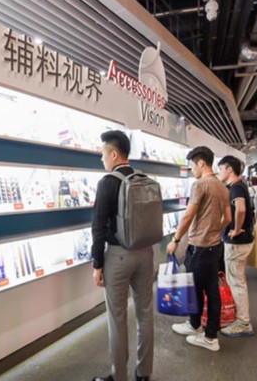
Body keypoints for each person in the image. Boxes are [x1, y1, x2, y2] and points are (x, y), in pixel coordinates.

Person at [91, 130, 153, 381]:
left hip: (118, 256)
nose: (102, 159)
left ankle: (119, 377)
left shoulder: (107, 182)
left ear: (114, 154)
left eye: (103, 154)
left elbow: (98, 226)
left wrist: (97, 264)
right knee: (145, 313)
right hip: (145, 253)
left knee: (117, 319)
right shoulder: (144, 179)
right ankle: (144, 373)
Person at [167, 146, 231, 352]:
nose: (192, 169)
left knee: (199, 289)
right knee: (209, 290)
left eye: (192, 165)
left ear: (201, 163)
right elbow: (228, 218)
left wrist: (176, 239)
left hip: (200, 247)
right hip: (215, 246)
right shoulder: (222, 186)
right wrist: (214, 230)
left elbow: (188, 215)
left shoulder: (200, 184)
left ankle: (210, 337)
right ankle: (196, 325)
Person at [217, 156, 255, 337]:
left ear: (229, 169)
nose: (219, 173)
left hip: (237, 242)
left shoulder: (236, 187)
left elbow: (241, 209)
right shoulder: (238, 186)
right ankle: (240, 319)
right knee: (236, 280)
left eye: (220, 169)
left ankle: (243, 322)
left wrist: (237, 229)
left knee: (236, 281)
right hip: (241, 241)